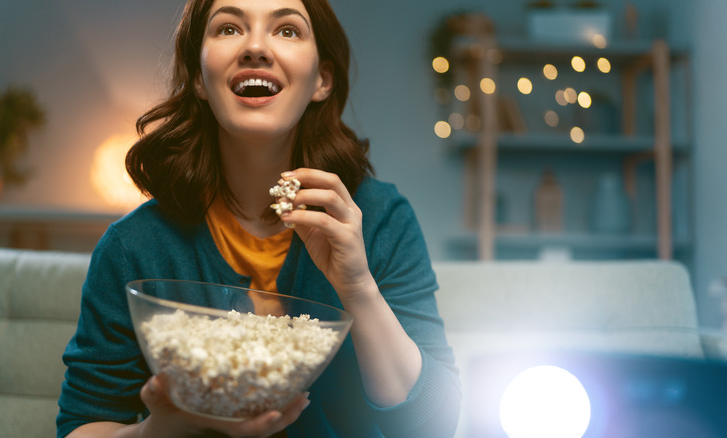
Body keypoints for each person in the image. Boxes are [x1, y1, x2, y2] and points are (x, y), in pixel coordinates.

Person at [56, 0, 461, 436]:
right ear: (198, 77)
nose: (255, 47)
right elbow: (81, 424)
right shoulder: (135, 247)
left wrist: (358, 287)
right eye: (229, 28)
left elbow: (433, 426)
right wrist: (161, 429)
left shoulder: (379, 219)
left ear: (322, 80)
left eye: (287, 30)